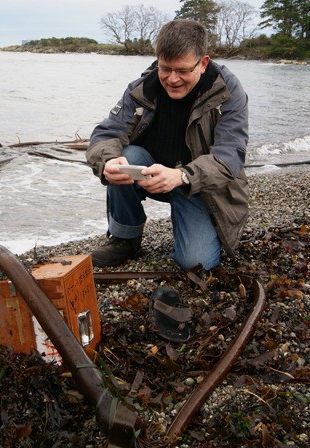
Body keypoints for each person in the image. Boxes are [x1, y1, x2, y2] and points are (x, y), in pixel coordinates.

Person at [86, 19, 250, 271]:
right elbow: (107, 132)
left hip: (201, 188)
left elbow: (230, 157)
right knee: (125, 157)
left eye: (182, 70)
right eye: (165, 69)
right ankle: (125, 239)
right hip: (150, 174)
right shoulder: (142, 88)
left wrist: (182, 176)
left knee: (195, 263)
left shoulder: (227, 93)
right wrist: (107, 160)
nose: (172, 79)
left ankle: (192, 230)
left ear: (203, 63)